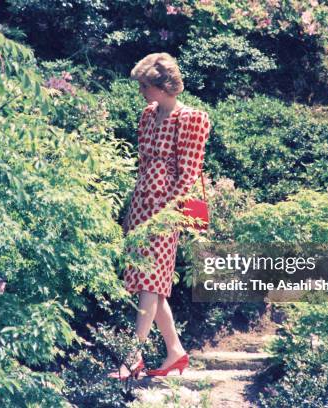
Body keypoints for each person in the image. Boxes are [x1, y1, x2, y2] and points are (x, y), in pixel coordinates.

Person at [113, 53, 211, 380]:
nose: (141, 91)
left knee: (151, 282)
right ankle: (175, 352)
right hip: (143, 202)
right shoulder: (147, 115)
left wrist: (171, 216)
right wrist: (131, 211)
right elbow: (143, 166)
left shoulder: (192, 119)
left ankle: (132, 358)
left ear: (163, 85)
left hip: (168, 209)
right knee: (147, 282)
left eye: (145, 85)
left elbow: (189, 174)